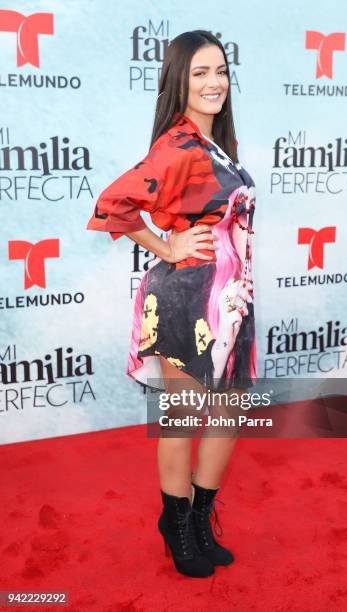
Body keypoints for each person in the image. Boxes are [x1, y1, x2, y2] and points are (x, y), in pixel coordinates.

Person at [86, 30, 257, 578]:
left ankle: (201, 517)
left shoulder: (214, 147)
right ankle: (177, 524)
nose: (214, 83)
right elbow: (114, 204)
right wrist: (168, 245)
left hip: (230, 298)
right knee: (183, 419)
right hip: (187, 297)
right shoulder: (178, 146)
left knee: (230, 412)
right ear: (179, 81)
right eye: (200, 73)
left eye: (221, 71)